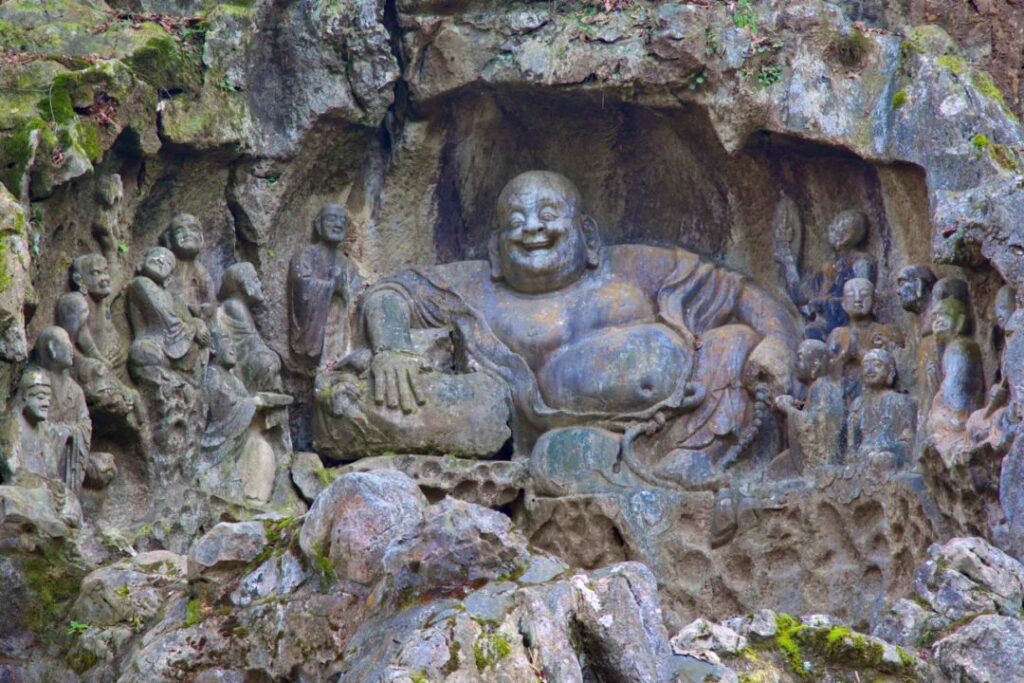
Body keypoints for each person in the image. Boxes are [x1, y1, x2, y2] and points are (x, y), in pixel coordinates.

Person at [329, 170, 797, 481]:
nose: (533, 227)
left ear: (588, 234)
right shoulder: (478, 288)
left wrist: (776, 343)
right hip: (574, 440)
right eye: (516, 221)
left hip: (686, 414)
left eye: (549, 215)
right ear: (494, 248)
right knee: (561, 459)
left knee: (733, 343)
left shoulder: (635, 268)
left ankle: (695, 462)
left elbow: (740, 294)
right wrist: (393, 349)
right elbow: (391, 291)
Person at [288, 204, 364, 367]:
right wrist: (332, 287)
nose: (338, 224)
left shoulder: (347, 264)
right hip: (317, 327)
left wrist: (349, 295)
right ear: (318, 225)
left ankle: (339, 358)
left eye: (343, 221)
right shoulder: (305, 255)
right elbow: (302, 284)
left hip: (340, 330)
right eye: (331, 219)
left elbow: (357, 297)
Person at [774, 339, 844, 472]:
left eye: (800, 358)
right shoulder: (815, 389)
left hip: (823, 465)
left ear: (815, 365)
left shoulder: (823, 388)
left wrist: (788, 409)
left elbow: (813, 427)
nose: (796, 364)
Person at [847, 349, 917, 469]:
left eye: (877, 365)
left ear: (891, 372)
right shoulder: (858, 404)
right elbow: (852, 442)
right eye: (866, 366)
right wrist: (851, 452)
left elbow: (908, 442)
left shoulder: (902, 401)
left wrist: (888, 447)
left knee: (884, 460)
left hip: (888, 456)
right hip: (863, 458)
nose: (870, 370)